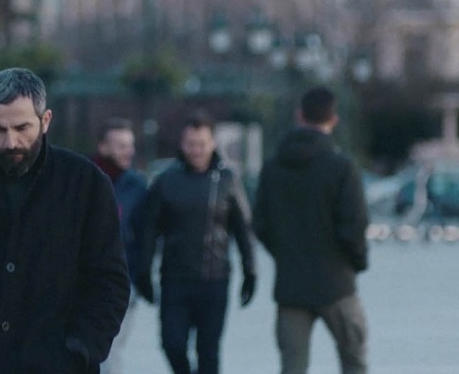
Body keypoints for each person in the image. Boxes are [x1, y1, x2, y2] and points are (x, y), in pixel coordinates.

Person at [0, 67, 130, 373]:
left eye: (21, 128)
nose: (10, 141)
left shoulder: (87, 184)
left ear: (45, 121)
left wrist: (81, 349)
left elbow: (110, 281)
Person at [253, 86, 369, 374]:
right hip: (337, 283)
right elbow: (354, 225)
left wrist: (285, 254)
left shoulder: (272, 167)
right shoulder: (342, 166)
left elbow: (261, 224)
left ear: (299, 116)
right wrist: (357, 262)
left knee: (292, 368)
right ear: (334, 119)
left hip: (291, 285)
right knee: (354, 361)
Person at [136, 110, 256, 374]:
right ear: (182, 144)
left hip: (214, 280)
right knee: (172, 344)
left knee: (208, 352)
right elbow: (150, 230)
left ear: (212, 143)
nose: (196, 150)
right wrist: (143, 270)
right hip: (175, 280)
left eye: (201, 144)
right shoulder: (166, 180)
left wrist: (251, 270)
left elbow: (242, 229)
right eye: (191, 144)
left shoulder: (228, 180)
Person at [91, 118, 148, 374]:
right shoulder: (84, 179)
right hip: (83, 283)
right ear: (103, 147)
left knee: (110, 351)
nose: (129, 151)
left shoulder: (136, 186)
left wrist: (138, 276)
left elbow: (146, 234)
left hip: (122, 284)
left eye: (131, 145)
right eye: (121, 145)